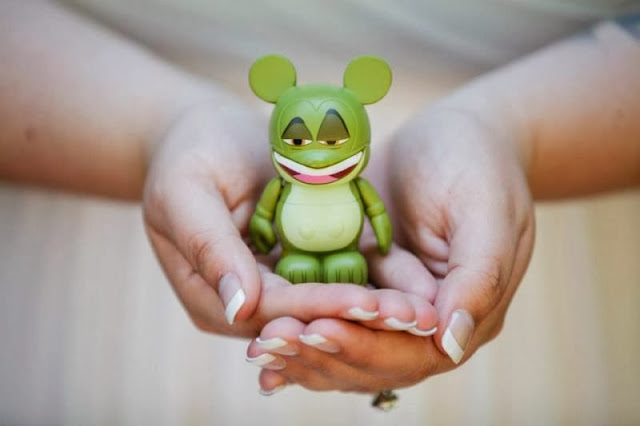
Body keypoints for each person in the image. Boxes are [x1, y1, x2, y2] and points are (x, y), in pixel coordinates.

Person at [1, 0, 638, 399]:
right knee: (312, 266)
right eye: (301, 138)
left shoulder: (355, 184)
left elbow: (374, 209)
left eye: (330, 138)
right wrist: (167, 134)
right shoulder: (276, 184)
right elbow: (274, 207)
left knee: (343, 265)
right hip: (82, 133)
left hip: (568, 150)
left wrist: (508, 132)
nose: (314, 151)